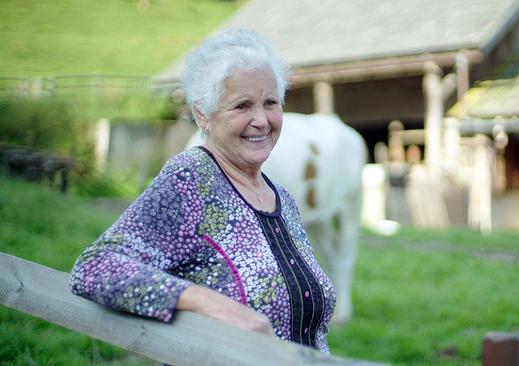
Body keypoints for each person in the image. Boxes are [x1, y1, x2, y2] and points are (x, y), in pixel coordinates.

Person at [69, 29, 335, 353]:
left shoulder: (281, 197)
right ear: (202, 115)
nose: (261, 120)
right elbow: (96, 266)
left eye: (270, 103)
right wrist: (206, 303)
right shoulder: (190, 181)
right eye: (242, 106)